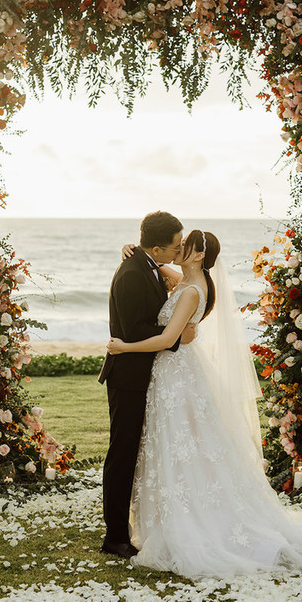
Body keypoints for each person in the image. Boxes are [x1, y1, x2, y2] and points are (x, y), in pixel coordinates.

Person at [107, 228, 302, 579]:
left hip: (175, 374)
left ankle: (195, 517)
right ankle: (172, 511)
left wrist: (123, 347)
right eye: (175, 245)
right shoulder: (187, 279)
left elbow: (166, 337)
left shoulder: (193, 290)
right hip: (171, 375)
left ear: (195, 255)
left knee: (184, 444)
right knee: (180, 444)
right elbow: (158, 268)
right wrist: (133, 250)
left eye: (184, 246)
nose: (177, 250)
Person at [98, 211, 197, 559]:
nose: (179, 249)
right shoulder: (131, 274)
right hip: (128, 378)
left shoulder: (148, 265)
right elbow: (134, 330)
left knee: (136, 453)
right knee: (122, 456)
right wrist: (175, 335)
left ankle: (133, 526)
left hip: (146, 376)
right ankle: (115, 537)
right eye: (175, 245)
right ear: (156, 247)